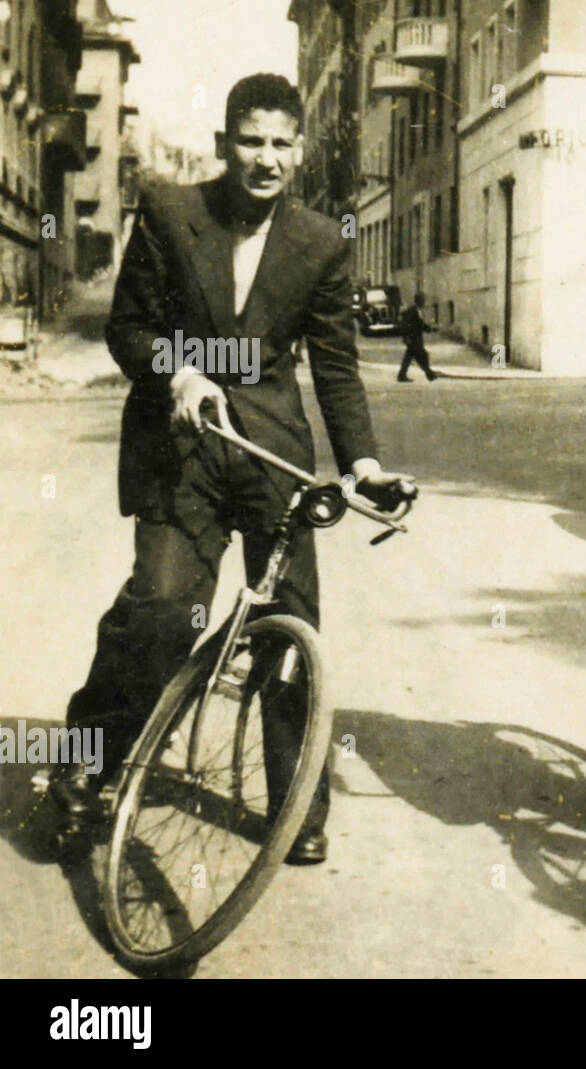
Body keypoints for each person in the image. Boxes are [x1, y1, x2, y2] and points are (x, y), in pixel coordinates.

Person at [53, 74, 414, 865]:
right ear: (225, 144)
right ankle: (88, 762)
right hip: (179, 446)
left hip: (272, 455)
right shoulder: (173, 214)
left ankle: (294, 803)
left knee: (290, 626)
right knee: (158, 609)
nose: (267, 157)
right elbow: (127, 330)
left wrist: (364, 462)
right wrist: (181, 369)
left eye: (282, 143)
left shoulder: (321, 239)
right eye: (251, 140)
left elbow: (337, 366)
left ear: (300, 150)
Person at [397, 291, 437, 381]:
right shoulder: (412, 311)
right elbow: (408, 325)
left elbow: (420, 324)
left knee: (410, 356)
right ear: (419, 301)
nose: (424, 302)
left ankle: (402, 375)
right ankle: (429, 374)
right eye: (423, 300)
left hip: (414, 338)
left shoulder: (416, 310)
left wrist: (430, 329)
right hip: (413, 338)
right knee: (422, 355)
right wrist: (406, 337)